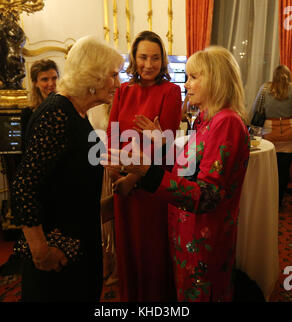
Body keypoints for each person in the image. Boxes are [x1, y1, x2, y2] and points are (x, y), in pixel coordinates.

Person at [102, 46, 250, 302]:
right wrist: (163, 145)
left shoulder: (227, 123)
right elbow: (188, 169)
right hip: (188, 237)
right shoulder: (206, 120)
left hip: (204, 242)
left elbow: (207, 195)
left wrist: (148, 172)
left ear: (215, 79)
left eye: (194, 77)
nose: (186, 83)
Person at [10, 35, 123, 302]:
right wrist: (41, 251)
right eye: (112, 75)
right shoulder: (56, 113)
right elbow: (24, 186)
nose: (118, 83)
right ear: (93, 76)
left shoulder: (78, 112)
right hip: (57, 254)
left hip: (79, 244)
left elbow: (69, 186)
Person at [107, 30, 182, 301]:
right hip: (122, 185)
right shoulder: (122, 91)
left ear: (163, 61)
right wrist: (115, 172)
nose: (148, 64)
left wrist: (134, 178)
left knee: (151, 249)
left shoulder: (171, 92)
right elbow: (112, 134)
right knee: (128, 248)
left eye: (155, 58)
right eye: (142, 57)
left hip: (151, 185)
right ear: (133, 58)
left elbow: (168, 144)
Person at [252, 64, 292, 210]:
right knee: (284, 170)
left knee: (268, 169)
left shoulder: (265, 88)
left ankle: (267, 201)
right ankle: (279, 202)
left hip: (269, 133)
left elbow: (256, 109)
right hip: (288, 133)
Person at [87, 104, 118, 286]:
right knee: (98, 218)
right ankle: (105, 260)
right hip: (94, 166)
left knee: (112, 219)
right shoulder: (92, 106)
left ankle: (117, 265)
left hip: (113, 165)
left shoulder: (122, 98)